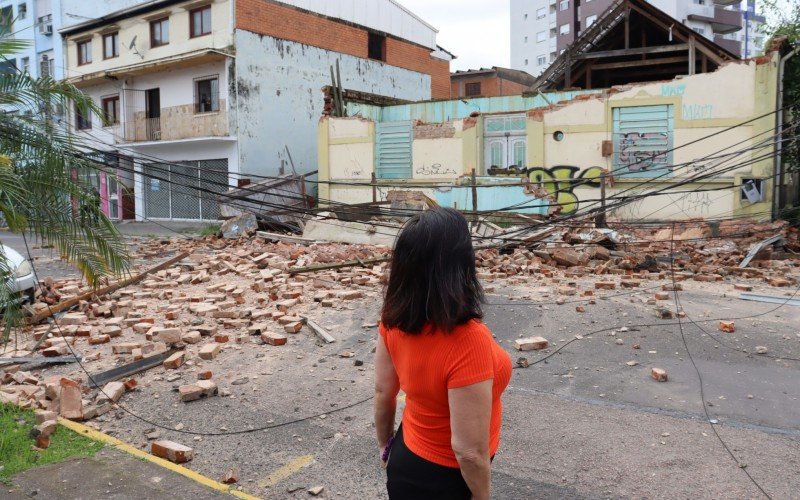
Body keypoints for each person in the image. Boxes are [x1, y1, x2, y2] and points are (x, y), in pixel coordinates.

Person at [374, 207, 512, 500]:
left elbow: (383, 392)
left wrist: (385, 447)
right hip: (449, 480)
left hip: (405, 461)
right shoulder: (468, 339)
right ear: (458, 265)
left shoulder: (392, 318)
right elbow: (469, 452)